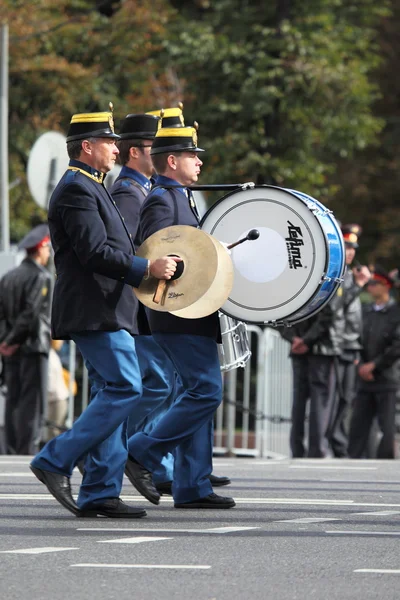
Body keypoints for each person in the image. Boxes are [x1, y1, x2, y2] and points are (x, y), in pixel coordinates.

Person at [29, 108, 178, 518]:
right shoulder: (78, 189)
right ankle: (55, 459)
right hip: (94, 310)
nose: (117, 148)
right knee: (126, 389)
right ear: (88, 147)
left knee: (112, 392)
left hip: (108, 309)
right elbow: (94, 252)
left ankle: (99, 490)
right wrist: (146, 268)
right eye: (110, 142)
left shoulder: (93, 185)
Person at [125, 124, 235, 509]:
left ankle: (192, 486)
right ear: (172, 161)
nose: (200, 161)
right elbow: (156, 254)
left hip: (190, 312)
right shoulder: (162, 199)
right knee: (206, 391)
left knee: (196, 392)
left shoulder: (179, 197)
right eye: (193, 156)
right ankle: (140, 450)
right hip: (177, 313)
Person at [0, 224, 52, 455]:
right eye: (47, 249)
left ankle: (11, 447)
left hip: (10, 349)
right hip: (33, 346)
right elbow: (31, 313)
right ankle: (27, 448)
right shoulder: (42, 277)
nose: (49, 253)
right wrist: (13, 340)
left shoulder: (8, 277)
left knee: (13, 398)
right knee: (33, 401)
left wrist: (6, 342)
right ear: (40, 249)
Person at [280, 292, 345, 458]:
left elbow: (279, 315)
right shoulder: (327, 278)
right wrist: (307, 341)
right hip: (322, 349)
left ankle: (297, 448)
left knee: (300, 400)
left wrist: (294, 339)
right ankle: (317, 448)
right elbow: (329, 313)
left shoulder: (292, 280)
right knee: (321, 401)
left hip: (299, 349)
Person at [328, 224, 371, 457]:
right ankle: (336, 444)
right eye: (346, 246)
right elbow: (338, 307)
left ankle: (338, 444)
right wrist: (360, 286)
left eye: (353, 247)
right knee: (338, 399)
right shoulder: (336, 272)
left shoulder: (349, 273)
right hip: (340, 344)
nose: (351, 251)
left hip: (351, 345)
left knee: (346, 399)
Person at [348, 267, 400, 459]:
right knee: (358, 422)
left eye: (374, 283)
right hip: (364, 376)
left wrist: (375, 365)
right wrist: (362, 364)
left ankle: (385, 461)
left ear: (386, 286)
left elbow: (396, 345)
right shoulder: (366, 311)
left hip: (386, 376)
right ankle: (353, 458)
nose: (370, 287)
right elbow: (357, 337)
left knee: (387, 425)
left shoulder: (396, 312)